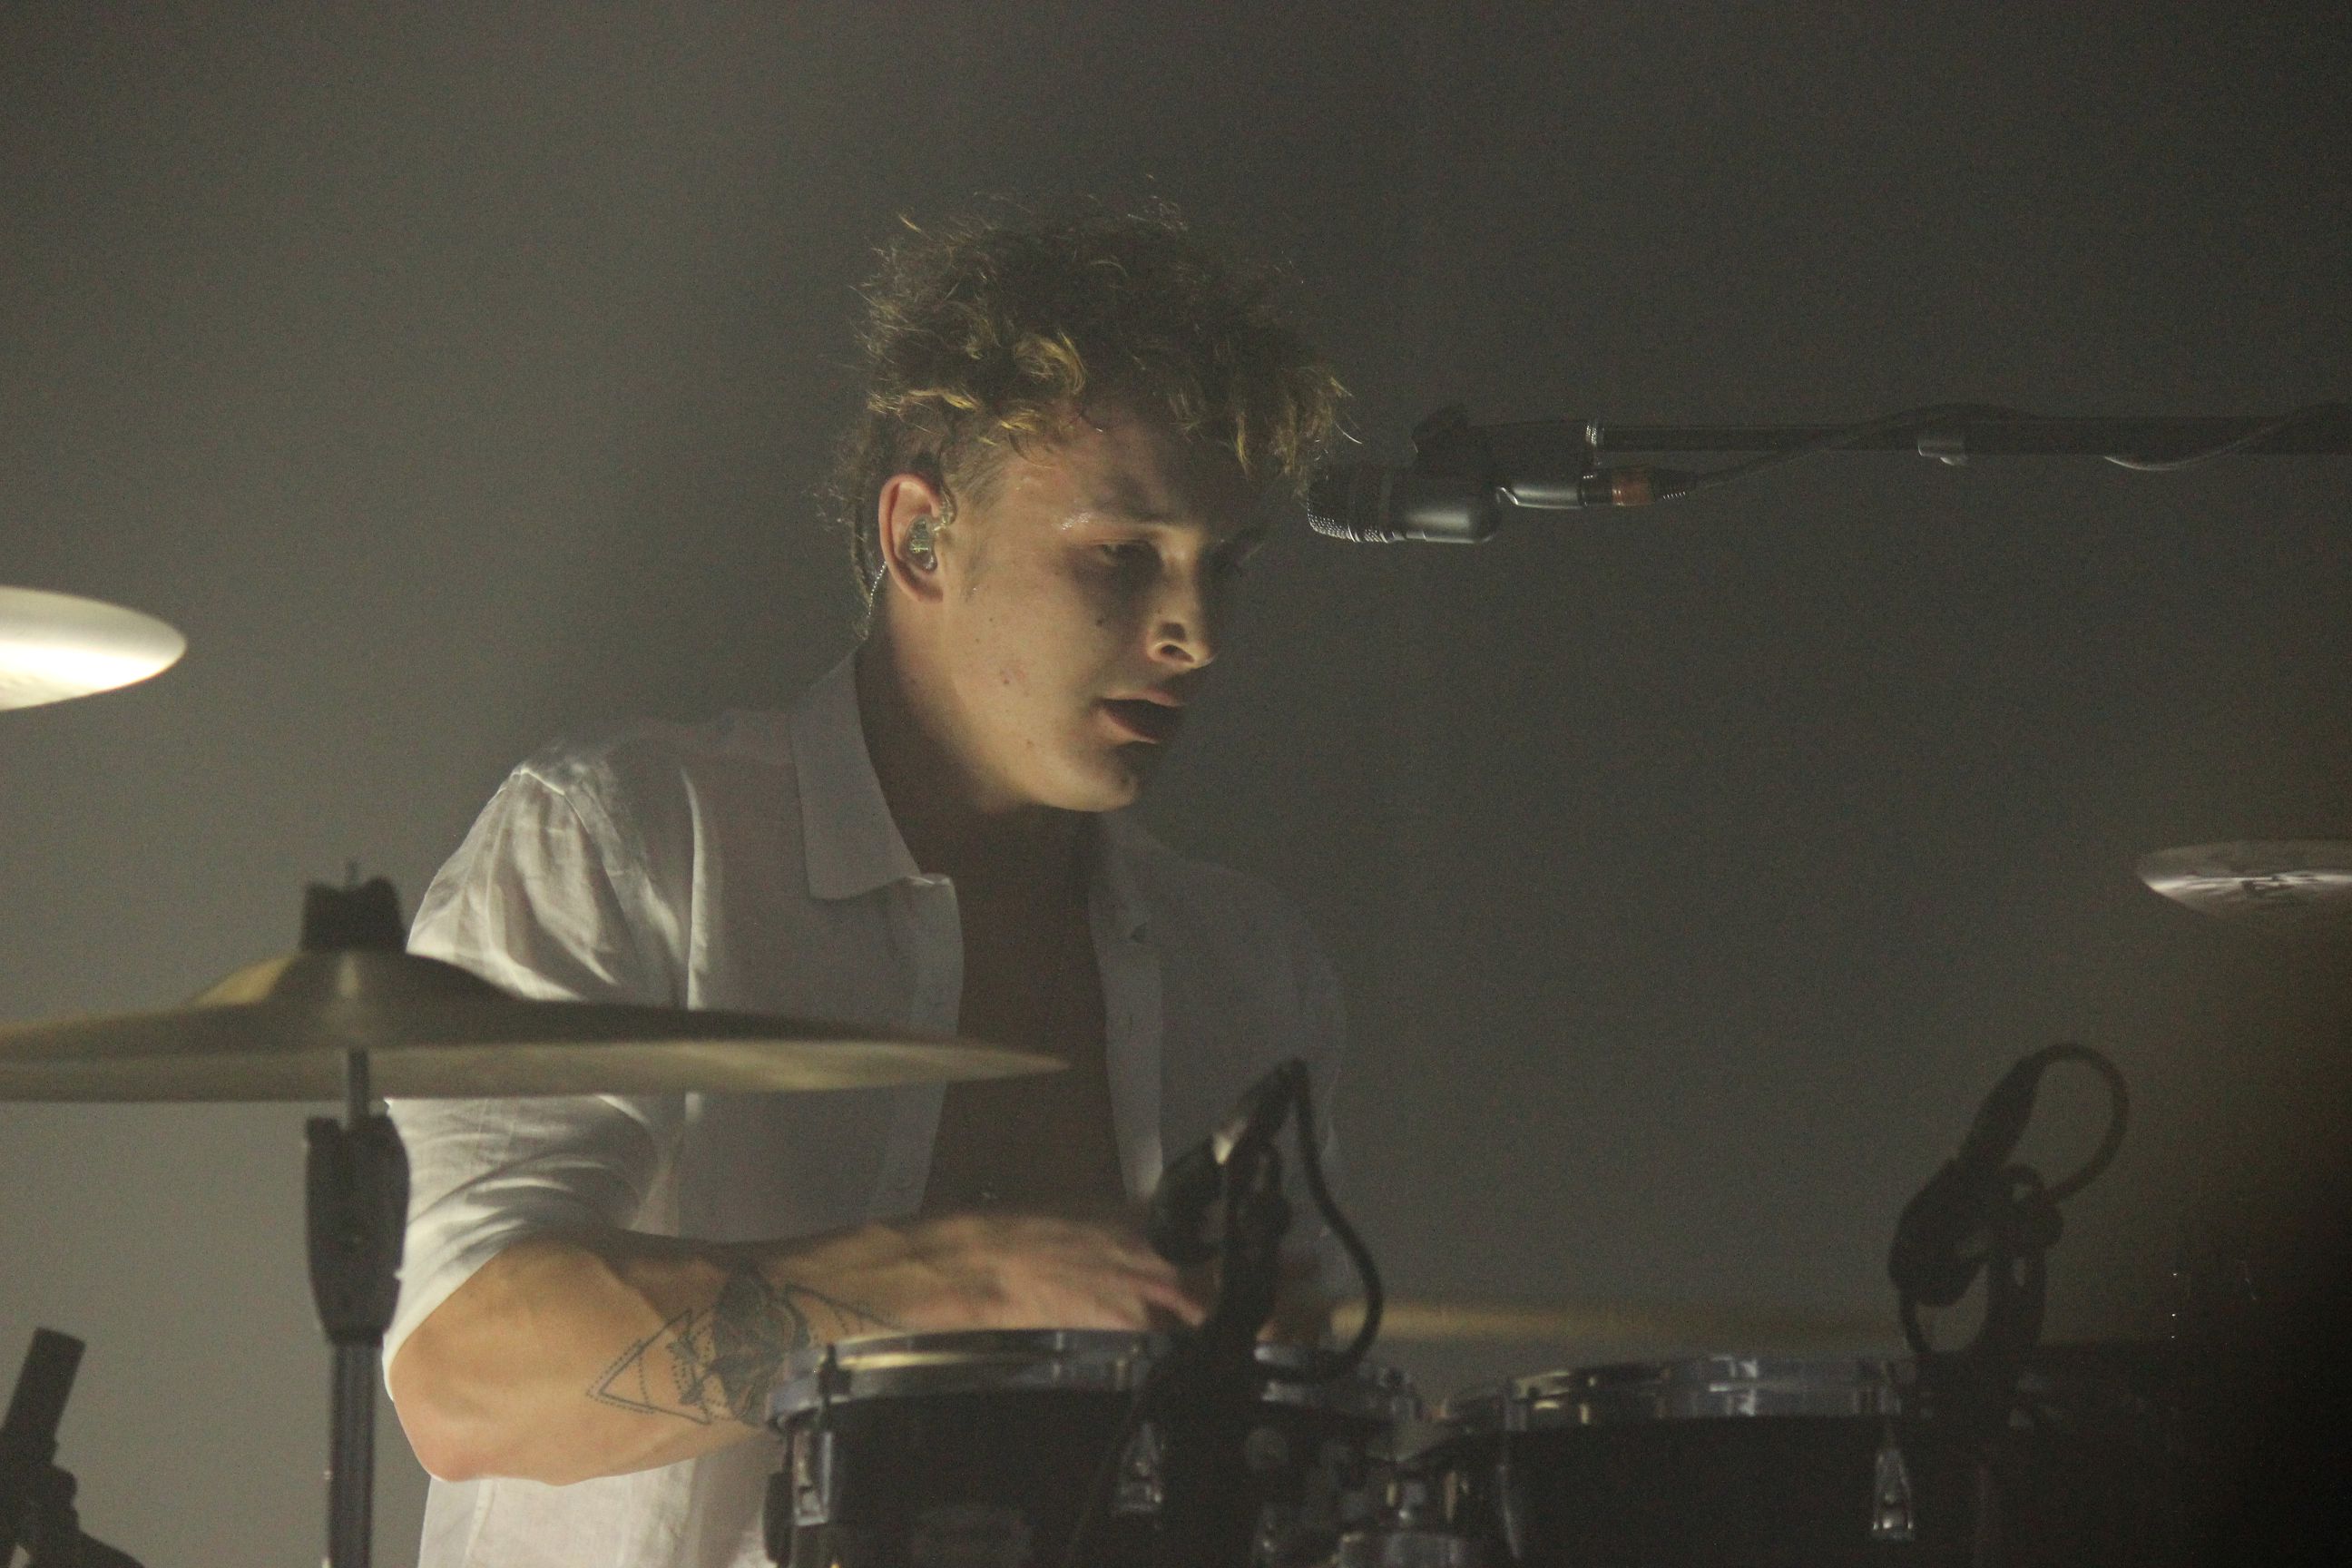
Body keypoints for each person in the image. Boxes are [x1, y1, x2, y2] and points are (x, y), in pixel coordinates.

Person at [382, 205, 1354, 1568]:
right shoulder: (626, 839)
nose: (1194, 632)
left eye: (1224, 565)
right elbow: (469, 1376)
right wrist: (970, 1279)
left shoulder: (1251, 968)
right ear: (920, 539)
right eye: (1122, 554)